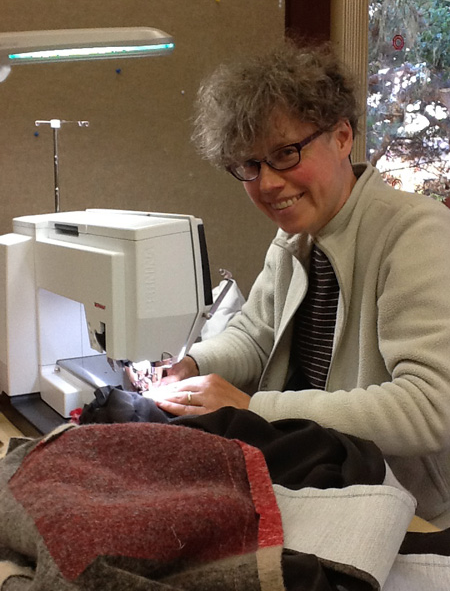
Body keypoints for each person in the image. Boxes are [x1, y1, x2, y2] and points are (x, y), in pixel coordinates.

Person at [144, 42, 450, 524]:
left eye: (285, 153)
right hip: (314, 476)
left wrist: (254, 406)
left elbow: (429, 407)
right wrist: (191, 364)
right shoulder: (296, 238)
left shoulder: (416, 234)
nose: (267, 183)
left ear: (342, 137)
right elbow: (254, 336)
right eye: (250, 165)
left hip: (402, 511)